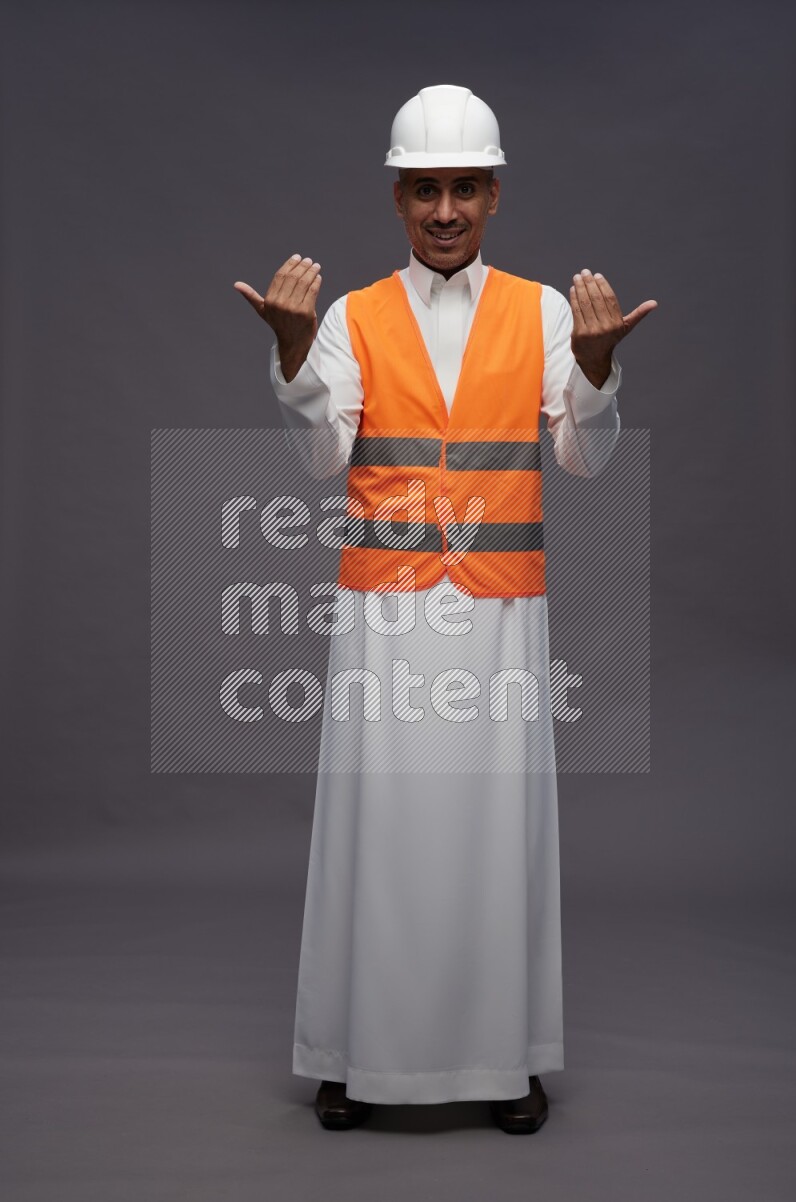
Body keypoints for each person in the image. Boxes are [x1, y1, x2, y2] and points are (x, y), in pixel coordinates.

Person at [235, 84, 656, 1134]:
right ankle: (349, 1052)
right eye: (423, 187)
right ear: (397, 196)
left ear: (494, 193)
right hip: (384, 614)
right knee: (375, 829)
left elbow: (581, 454)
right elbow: (322, 451)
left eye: (463, 186)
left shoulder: (547, 310)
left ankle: (502, 1054)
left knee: (493, 830)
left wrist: (597, 376)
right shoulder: (351, 316)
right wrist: (292, 360)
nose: (443, 209)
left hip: (500, 614)